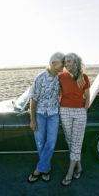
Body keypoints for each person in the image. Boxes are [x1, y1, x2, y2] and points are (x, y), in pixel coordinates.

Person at [27, 52, 65, 183]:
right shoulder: (40, 77)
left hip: (54, 113)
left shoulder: (60, 77)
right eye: (62, 62)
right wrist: (32, 119)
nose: (64, 65)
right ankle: (46, 169)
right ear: (54, 63)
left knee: (52, 141)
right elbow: (33, 99)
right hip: (40, 114)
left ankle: (39, 169)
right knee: (40, 141)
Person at [59, 53, 90, 186]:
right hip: (64, 111)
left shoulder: (84, 78)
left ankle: (70, 173)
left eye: (69, 61)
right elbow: (57, 93)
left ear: (76, 62)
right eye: (65, 62)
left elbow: (87, 97)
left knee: (76, 142)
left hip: (79, 112)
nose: (67, 64)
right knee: (70, 141)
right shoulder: (61, 77)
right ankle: (80, 167)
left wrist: (84, 111)